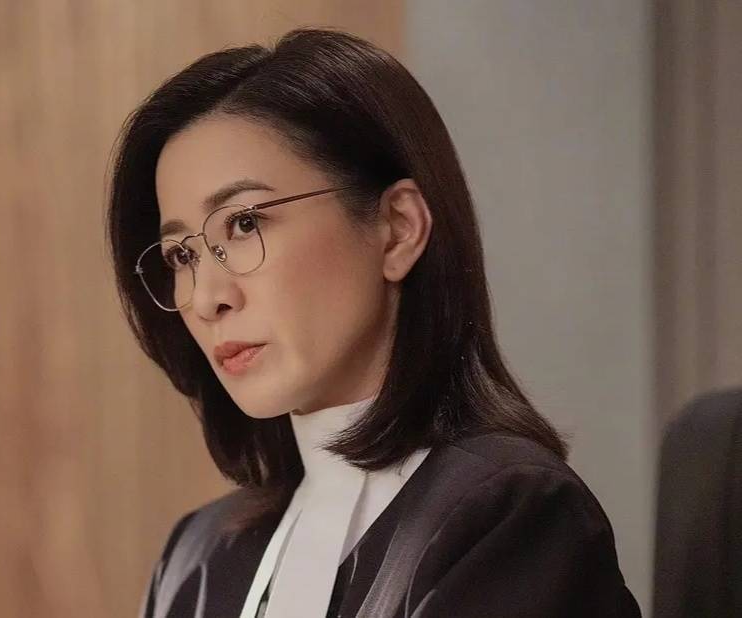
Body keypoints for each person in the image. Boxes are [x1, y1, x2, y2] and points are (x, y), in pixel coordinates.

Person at [107, 26, 641, 618]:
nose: (208, 297)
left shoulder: (512, 518)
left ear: (398, 229)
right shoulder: (196, 558)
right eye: (181, 255)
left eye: (244, 223)